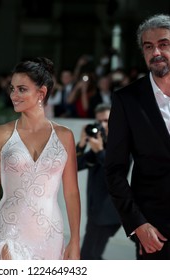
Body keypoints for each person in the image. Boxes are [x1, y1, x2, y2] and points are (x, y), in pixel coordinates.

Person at [105, 14, 170, 259]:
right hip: (156, 228)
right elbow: (115, 170)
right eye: (149, 47)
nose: (156, 52)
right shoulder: (127, 100)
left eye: (163, 44)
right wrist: (137, 223)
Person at [0, 57, 81, 260]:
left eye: (22, 89)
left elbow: (71, 193)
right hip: (8, 230)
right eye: (12, 89)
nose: (14, 95)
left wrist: (75, 241)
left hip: (50, 234)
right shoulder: (0, 134)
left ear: (41, 93)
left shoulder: (64, 136)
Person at [76, 103, 122, 259]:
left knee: (88, 257)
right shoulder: (99, 144)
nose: (102, 125)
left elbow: (117, 173)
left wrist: (100, 152)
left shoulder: (122, 144)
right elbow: (76, 165)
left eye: (106, 121)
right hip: (95, 212)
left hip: (107, 214)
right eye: (99, 121)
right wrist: (82, 144)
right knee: (92, 256)